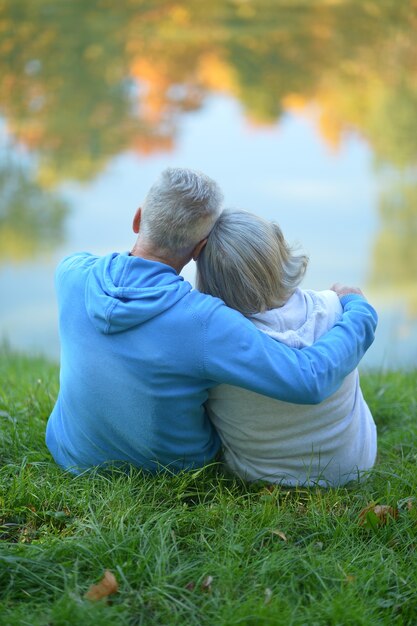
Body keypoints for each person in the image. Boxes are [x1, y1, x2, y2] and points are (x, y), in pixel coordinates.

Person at [46, 167, 377, 475]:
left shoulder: (71, 272)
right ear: (199, 249)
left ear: (137, 218)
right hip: (164, 470)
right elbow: (308, 379)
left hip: (68, 450)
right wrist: (359, 313)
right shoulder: (204, 321)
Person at [196, 209, 377, 486]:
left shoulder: (213, 342)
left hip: (262, 477)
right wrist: (355, 305)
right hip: (354, 467)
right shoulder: (335, 307)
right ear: (278, 251)